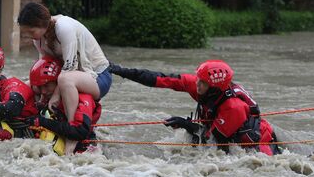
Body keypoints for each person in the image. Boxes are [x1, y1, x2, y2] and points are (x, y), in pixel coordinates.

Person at [110, 60, 282, 156]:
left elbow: (213, 142)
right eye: (198, 79)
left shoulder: (233, 107)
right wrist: (122, 71)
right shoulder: (204, 87)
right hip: (223, 132)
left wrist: (185, 124)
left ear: (214, 87)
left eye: (202, 83)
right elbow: (161, 79)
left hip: (258, 146)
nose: (196, 84)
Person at [17, 2, 112, 124]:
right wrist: (41, 94)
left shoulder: (64, 27)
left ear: (41, 24)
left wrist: (56, 96)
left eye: (31, 31)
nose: (28, 36)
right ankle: (24, 120)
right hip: (71, 76)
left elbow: (70, 68)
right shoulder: (38, 39)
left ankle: (71, 129)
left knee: (65, 79)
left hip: (98, 77)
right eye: (26, 33)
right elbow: (45, 68)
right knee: (30, 84)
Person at [24, 56, 101, 155]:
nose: (43, 91)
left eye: (46, 85)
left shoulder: (82, 98)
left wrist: (41, 121)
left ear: (57, 83)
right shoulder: (45, 95)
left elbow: (79, 131)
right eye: (40, 87)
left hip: (82, 147)